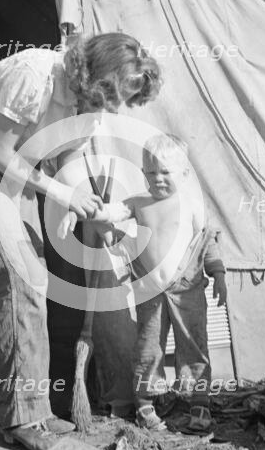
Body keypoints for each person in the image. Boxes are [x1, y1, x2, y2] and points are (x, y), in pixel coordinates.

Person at [0, 33, 162, 450]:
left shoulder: (93, 106)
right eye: (113, 94)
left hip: (17, 168)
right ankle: (19, 417)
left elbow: (67, 158)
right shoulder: (33, 77)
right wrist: (61, 196)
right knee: (17, 280)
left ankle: (35, 408)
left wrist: (79, 202)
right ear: (94, 74)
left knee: (36, 281)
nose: (114, 107)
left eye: (123, 100)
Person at [91, 134, 227, 430]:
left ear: (185, 174)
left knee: (193, 343)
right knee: (148, 346)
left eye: (166, 173)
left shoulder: (191, 204)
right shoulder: (139, 203)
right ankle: (145, 403)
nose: (158, 179)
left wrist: (218, 275)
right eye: (151, 173)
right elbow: (113, 212)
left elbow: (207, 242)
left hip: (187, 288)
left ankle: (199, 402)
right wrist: (97, 212)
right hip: (150, 291)